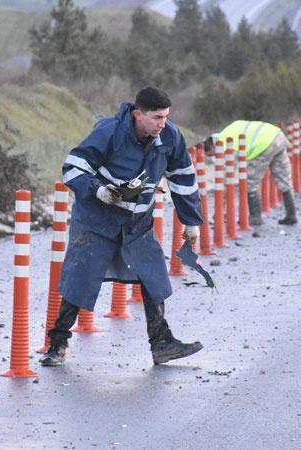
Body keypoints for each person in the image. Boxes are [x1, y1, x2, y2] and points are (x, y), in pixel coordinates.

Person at [40, 87, 204, 366]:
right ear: (138, 114)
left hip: (137, 224)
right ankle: (57, 344)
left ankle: (162, 344)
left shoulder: (170, 137)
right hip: (97, 220)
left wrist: (191, 221)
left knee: (153, 277)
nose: (162, 124)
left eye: (165, 117)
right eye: (156, 118)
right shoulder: (110, 132)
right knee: (80, 279)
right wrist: (98, 190)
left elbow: (183, 178)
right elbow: (73, 168)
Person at [215, 120, 297, 226]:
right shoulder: (231, 128)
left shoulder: (223, 142)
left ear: (212, 147)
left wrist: (221, 208)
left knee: (251, 182)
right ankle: (291, 215)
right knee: (284, 179)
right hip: (278, 136)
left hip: (263, 145)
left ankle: (255, 217)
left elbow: (228, 172)